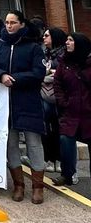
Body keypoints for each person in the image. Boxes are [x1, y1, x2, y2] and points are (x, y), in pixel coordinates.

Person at [0, 10, 46, 204]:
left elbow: (38, 72)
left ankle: (38, 187)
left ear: (22, 24)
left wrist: (16, 79)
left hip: (28, 100)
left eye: (13, 22)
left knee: (33, 143)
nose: (9, 26)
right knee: (10, 144)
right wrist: (1, 75)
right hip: (6, 103)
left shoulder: (33, 47)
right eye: (7, 22)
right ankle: (18, 185)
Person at [52, 32, 91, 187]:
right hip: (71, 112)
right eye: (67, 40)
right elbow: (57, 83)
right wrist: (63, 102)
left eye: (71, 40)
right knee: (65, 140)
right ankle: (68, 174)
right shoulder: (64, 63)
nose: (67, 43)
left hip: (89, 114)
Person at [41, 27, 67, 172]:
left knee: (59, 129)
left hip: (59, 97)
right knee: (46, 129)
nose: (44, 38)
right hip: (45, 94)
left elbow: (61, 74)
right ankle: (49, 159)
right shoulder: (45, 53)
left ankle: (59, 159)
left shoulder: (63, 55)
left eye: (47, 36)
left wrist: (49, 75)